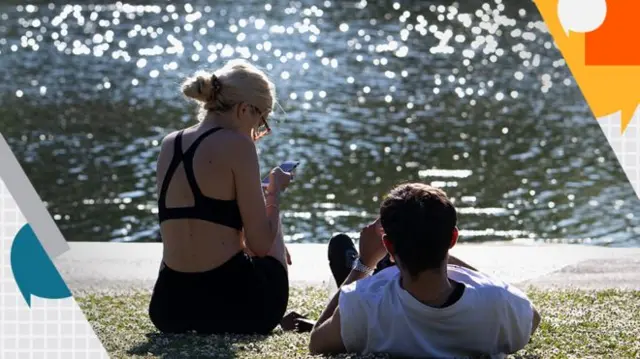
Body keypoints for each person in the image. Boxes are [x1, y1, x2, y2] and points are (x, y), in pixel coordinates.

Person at [308, 183, 542, 358]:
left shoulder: (363, 302)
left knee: (358, 262)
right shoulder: (498, 302)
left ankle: (366, 265)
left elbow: (317, 342)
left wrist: (364, 264)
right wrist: (441, 250)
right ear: (453, 239)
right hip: (427, 257)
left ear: (389, 245)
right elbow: (533, 318)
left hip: (376, 279)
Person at [148, 59, 294, 335]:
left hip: (169, 307)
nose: (258, 133)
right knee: (268, 218)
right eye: (261, 121)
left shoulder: (170, 143)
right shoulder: (239, 145)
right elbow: (261, 245)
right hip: (233, 308)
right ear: (244, 109)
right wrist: (274, 194)